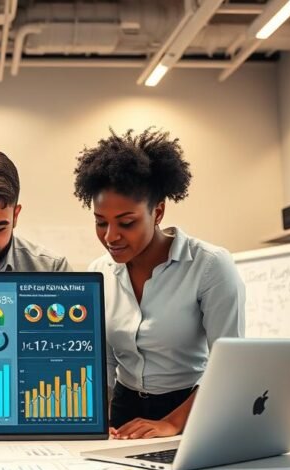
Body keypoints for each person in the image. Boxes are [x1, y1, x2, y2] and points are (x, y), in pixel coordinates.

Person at [75, 128, 245, 440]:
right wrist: (97, 417)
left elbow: (229, 364)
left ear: (158, 212)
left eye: (126, 223)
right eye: (101, 222)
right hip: (124, 412)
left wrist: (172, 423)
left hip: (192, 408)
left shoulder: (209, 266)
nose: (111, 236)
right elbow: (106, 360)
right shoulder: (99, 272)